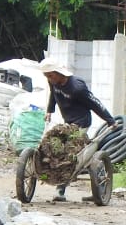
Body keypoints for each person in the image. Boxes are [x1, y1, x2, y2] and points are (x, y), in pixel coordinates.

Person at [39, 58, 117, 202]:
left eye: (50, 75)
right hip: (67, 123)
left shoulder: (77, 88)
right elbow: (53, 95)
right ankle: (59, 182)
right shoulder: (53, 82)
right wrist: (50, 110)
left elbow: (95, 103)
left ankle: (61, 189)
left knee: (70, 153)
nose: (48, 79)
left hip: (81, 122)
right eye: (46, 76)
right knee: (54, 148)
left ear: (59, 73)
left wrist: (110, 120)